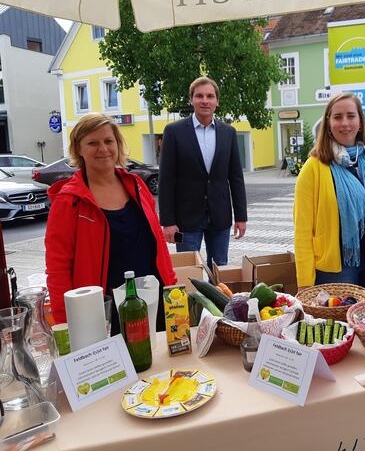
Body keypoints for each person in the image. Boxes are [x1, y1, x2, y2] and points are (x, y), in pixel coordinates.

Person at [46, 113, 176, 332]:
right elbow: (58, 268)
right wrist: (65, 324)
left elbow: (158, 244)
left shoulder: (136, 185)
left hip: (153, 301)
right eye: (92, 143)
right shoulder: (69, 201)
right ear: (78, 149)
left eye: (108, 141)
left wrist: (171, 287)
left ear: (118, 144)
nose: (103, 149)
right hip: (104, 313)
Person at [294, 93, 365, 289]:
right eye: (337, 117)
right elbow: (303, 230)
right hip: (335, 271)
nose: (345, 123)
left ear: (360, 122)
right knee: (341, 320)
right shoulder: (314, 167)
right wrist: (305, 282)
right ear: (328, 123)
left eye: (351, 116)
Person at [159, 76, 247, 269]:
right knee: (191, 271)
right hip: (186, 219)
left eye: (210, 96)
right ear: (191, 100)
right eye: (199, 96)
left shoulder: (228, 132)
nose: (205, 100)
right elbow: (166, 179)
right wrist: (167, 222)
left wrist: (241, 217)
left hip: (220, 216)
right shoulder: (174, 132)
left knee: (220, 268)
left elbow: (235, 178)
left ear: (217, 101)